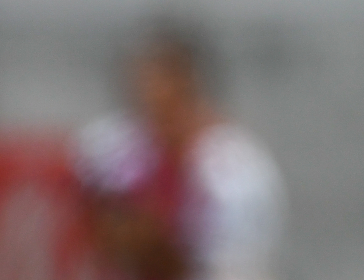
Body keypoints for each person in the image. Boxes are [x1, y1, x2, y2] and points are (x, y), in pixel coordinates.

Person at [70, 25, 284, 280]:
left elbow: (237, 269)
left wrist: (156, 247)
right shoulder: (116, 143)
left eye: (166, 96)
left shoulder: (237, 175)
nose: (152, 107)